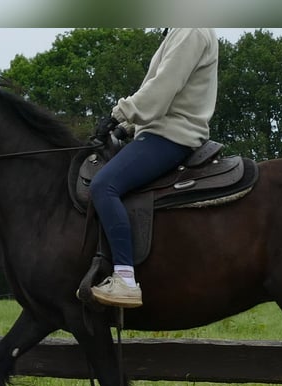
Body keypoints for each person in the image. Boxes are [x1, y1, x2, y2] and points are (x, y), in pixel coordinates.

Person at [88, 28, 219, 308]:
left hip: (171, 135)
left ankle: (124, 279)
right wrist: (125, 128)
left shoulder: (191, 29)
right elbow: (166, 96)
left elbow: (163, 87)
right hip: (158, 130)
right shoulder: (181, 28)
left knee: (104, 185)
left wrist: (118, 115)